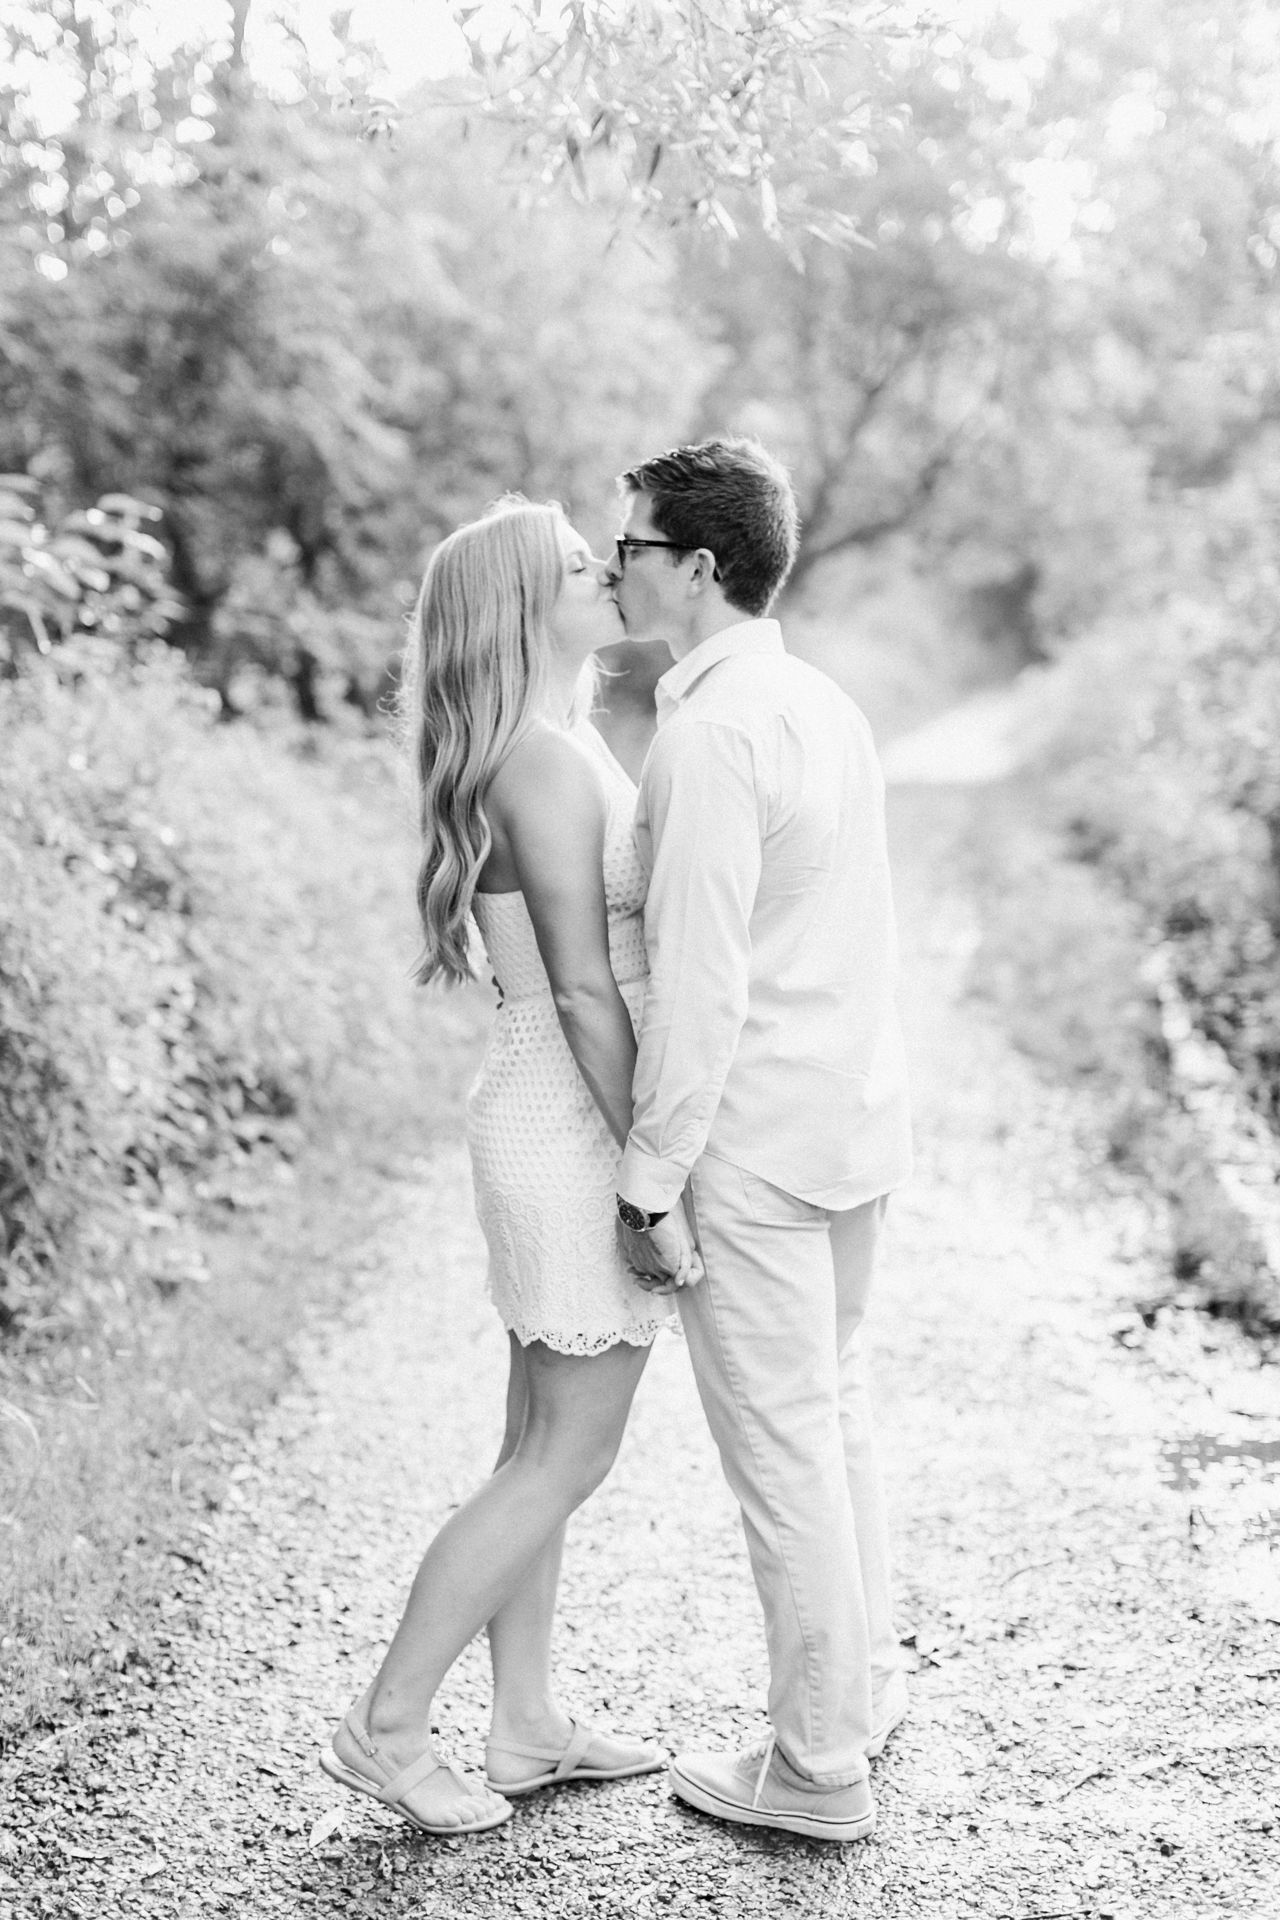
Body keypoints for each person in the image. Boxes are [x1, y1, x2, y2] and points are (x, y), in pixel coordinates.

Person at [320, 500, 700, 1837]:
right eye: (578, 565)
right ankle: (386, 1726)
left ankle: (527, 1723)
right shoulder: (539, 762)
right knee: (564, 1456)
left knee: (534, 1444)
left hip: (546, 1105)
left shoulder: (557, 740)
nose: (607, 572)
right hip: (571, 1116)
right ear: (523, 606)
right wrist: (656, 1165)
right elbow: (589, 992)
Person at [606, 438, 913, 1844]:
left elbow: (701, 980)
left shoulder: (713, 733)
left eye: (632, 546)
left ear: (697, 567)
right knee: (831, 1414)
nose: (614, 566)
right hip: (850, 1121)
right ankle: (862, 1692)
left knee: (782, 1452)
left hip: (761, 1146)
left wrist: (649, 1178)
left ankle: (817, 1769)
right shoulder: (821, 704)